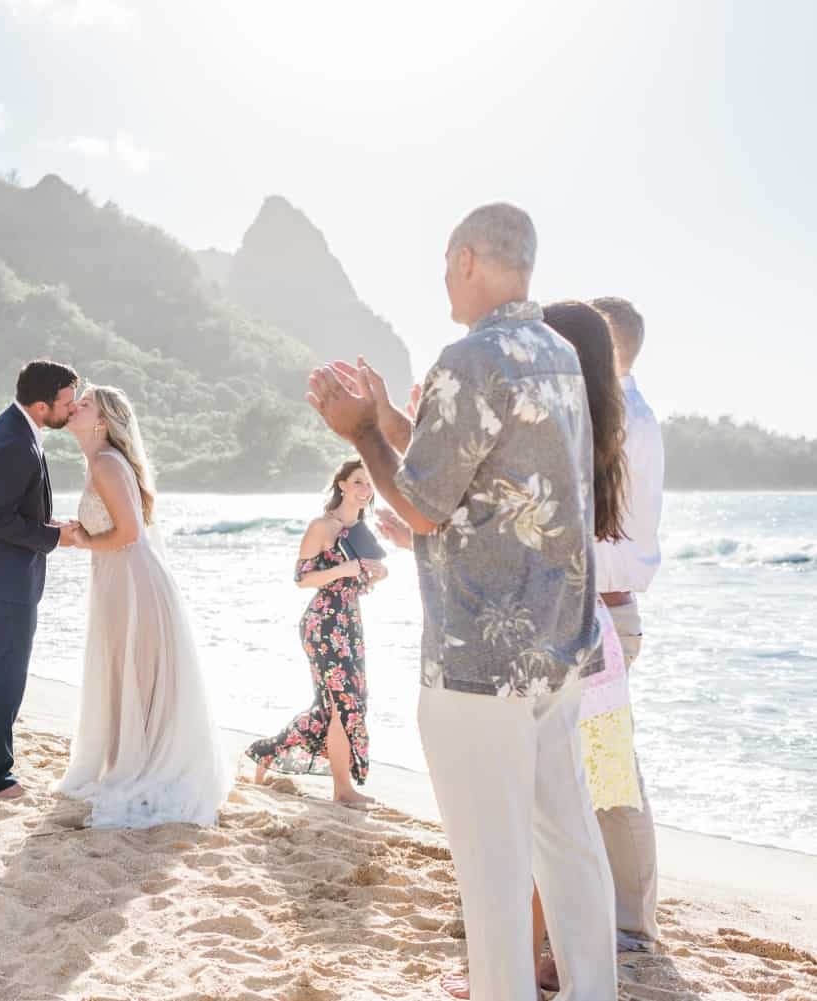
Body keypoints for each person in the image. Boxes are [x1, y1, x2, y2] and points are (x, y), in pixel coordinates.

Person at [308, 203, 616, 1001]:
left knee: (492, 869)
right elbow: (475, 462)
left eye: (446, 263)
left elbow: (420, 506)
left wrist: (359, 434)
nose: (443, 278)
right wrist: (386, 417)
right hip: (557, 648)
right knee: (569, 841)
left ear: (470, 258)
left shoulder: (470, 357)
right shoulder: (554, 352)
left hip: (479, 658)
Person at [419, 299, 636, 997]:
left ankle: (542, 967)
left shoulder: (577, 420)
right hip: (581, 634)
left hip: (546, 637)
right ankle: (589, 967)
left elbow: (444, 504)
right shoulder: (600, 425)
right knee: (577, 814)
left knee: (538, 826)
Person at [53, 385, 233, 827]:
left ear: (103, 420)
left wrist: (84, 540)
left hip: (132, 582)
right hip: (118, 578)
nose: (75, 406)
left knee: (135, 670)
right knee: (124, 670)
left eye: (86, 403)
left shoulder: (107, 462)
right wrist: (86, 538)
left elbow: (129, 534)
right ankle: (129, 758)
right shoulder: (100, 462)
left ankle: (142, 764)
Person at [0, 360, 81, 800]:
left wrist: (49, 523)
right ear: (42, 404)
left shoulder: (15, 429)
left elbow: (7, 511)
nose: (74, 409)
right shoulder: (13, 442)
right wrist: (55, 537)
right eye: (67, 402)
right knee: (5, 676)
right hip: (2, 575)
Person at [244, 459, 388, 808]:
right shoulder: (322, 526)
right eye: (358, 482)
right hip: (323, 624)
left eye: (369, 484)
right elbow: (302, 578)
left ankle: (267, 752)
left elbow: (362, 581)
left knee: (340, 706)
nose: (364, 490)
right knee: (342, 705)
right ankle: (342, 791)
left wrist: (376, 573)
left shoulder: (362, 532)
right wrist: (347, 568)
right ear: (341, 485)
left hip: (350, 624)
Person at [589, 294, 664, 948]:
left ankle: (633, 923)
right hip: (580, 614)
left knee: (611, 776)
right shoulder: (597, 419)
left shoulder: (631, 425)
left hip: (607, 617)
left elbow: (630, 555)